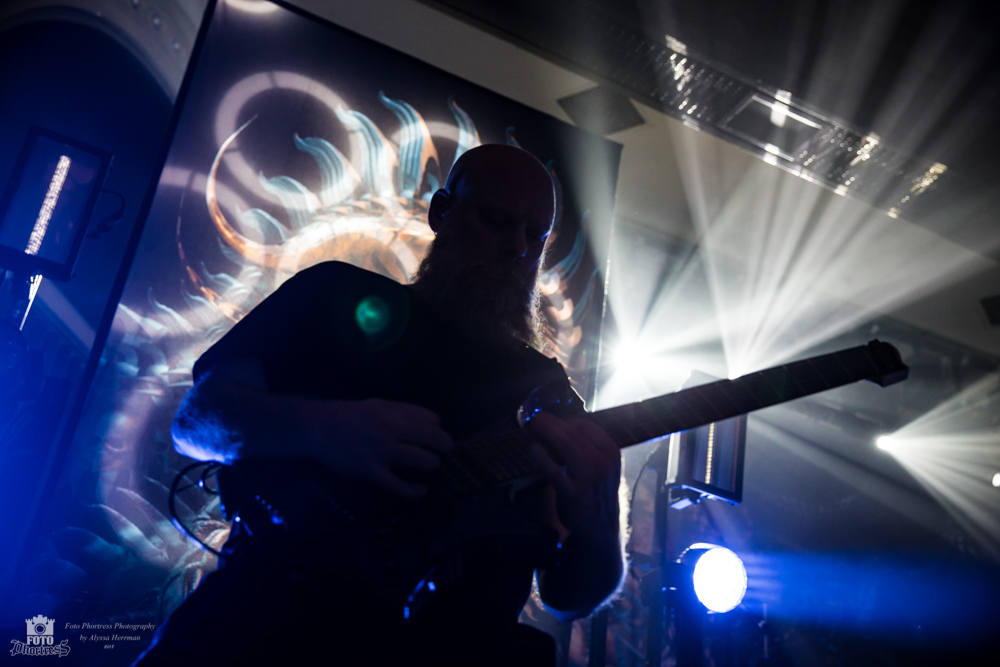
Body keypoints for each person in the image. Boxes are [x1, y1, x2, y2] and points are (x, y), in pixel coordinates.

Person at [134, 144, 624, 666]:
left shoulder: (544, 391)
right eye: (498, 221)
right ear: (442, 212)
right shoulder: (335, 295)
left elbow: (569, 596)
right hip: (261, 627)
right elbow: (197, 420)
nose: (518, 248)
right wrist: (323, 429)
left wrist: (599, 522)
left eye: (536, 234)